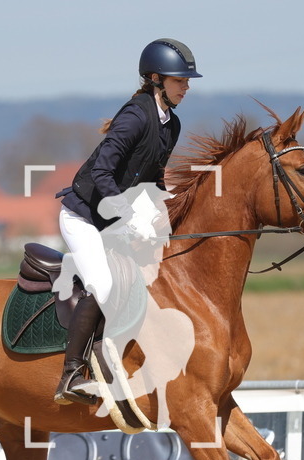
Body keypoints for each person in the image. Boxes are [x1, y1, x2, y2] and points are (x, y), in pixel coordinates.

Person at [52, 38, 202, 405]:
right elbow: (102, 171)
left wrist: (164, 214)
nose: (186, 87)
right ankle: (71, 374)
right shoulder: (136, 115)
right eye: (179, 80)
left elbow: (155, 178)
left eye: (186, 81)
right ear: (156, 79)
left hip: (115, 219)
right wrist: (127, 213)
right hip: (84, 216)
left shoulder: (172, 124)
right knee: (102, 285)